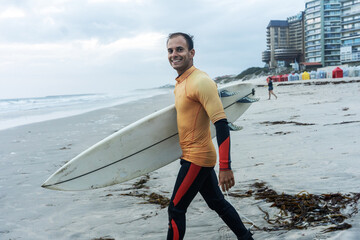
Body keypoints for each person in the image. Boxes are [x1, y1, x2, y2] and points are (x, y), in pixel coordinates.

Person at [166, 32, 253, 240]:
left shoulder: (201, 81)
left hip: (197, 157)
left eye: (179, 49)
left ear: (191, 52)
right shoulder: (180, 83)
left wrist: (225, 166)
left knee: (176, 210)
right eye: (170, 50)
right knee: (217, 203)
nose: (174, 54)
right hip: (191, 155)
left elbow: (221, 124)